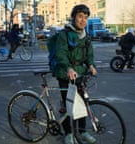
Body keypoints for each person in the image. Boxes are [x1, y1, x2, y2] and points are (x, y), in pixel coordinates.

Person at [53, 4, 97, 144]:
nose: (83, 20)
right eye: (80, 16)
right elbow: (61, 54)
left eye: (85, 17)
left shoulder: (86, 37)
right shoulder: (63, 35)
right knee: (68, 106)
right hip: (65, 74)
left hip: (80, 74)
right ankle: (68, 134)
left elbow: (89, 54)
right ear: (73, 18)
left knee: (82, 104)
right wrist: (68, 68)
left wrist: (90, 65)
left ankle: (82, 132)